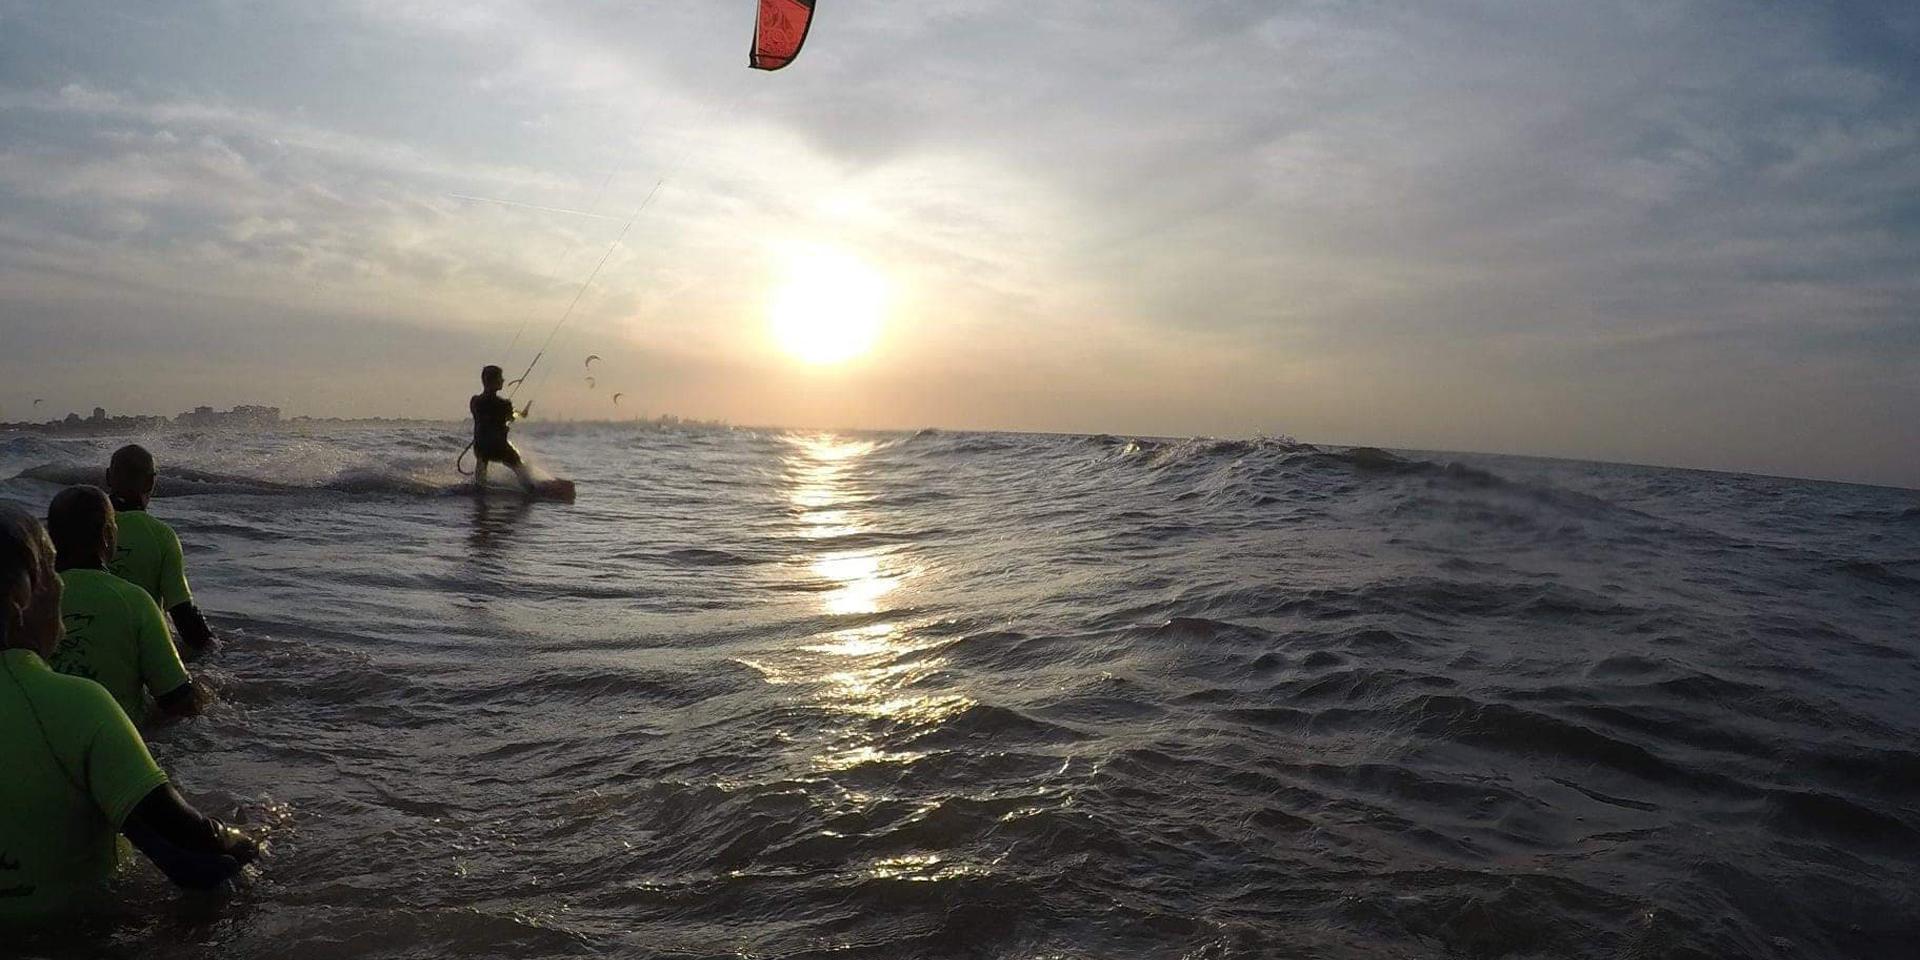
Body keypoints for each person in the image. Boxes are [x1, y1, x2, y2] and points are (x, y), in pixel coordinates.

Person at [0, 504, 258, 923]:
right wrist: (253, 838)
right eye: (51, 571)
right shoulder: (78, 705)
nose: (63, 585)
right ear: (20, 600)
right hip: (77, 937)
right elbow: (192, 838)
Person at [46, 487, 203, 722]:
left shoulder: (28, 601)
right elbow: (178, 700)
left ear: (49, 536)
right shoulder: (135, 601)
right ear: (108, 536)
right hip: (119, 735)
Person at [103, 445, 216, 650]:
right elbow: (182, 613)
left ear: (108, 477)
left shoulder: (77, 526)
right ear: (150, 482)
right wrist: (214, 649)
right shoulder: (161, 536)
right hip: (140, 646)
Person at [471, 364, 537, 490]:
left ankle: (479, 485)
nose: (503, 380)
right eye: (500, 378)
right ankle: (530, 489)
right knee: (518, 464)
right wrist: (522, 414)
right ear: (493, 381)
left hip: (480, 447)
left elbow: (484, 415)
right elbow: (511, 418)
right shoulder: (504, 404)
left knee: (482, 461)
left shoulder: (474, 401)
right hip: (499, 448)